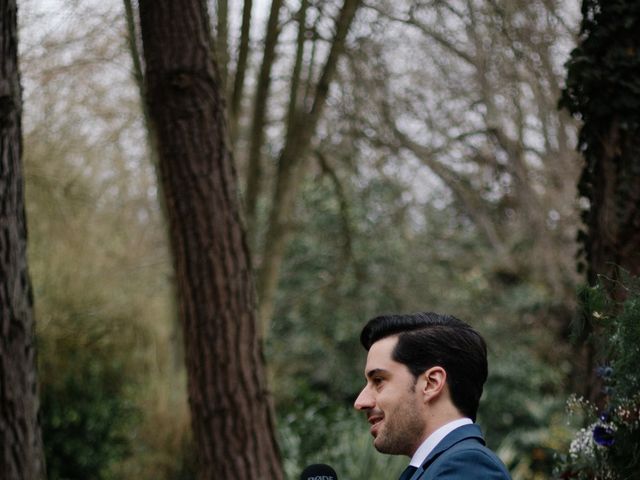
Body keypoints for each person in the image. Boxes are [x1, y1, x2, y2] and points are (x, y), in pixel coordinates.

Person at [354, 312, 511, 480]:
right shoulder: (438, 467)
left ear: (432, 383)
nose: (360, 402)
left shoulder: (467, 467)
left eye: (378, 380)